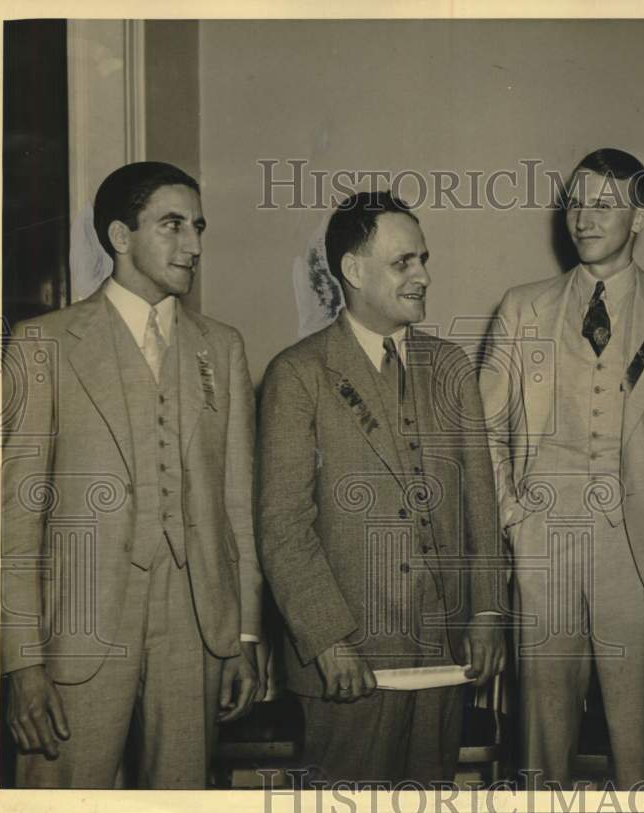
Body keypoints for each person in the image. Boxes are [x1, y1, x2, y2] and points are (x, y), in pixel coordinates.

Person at [1, 161, 264, 788]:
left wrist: (242, 634)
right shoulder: (43, 345)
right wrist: (21, 664)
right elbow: (13, 520)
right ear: (120, 237)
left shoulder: (220, 347)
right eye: (172, 225)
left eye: (198, 227)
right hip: (77, 632)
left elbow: (237, 507)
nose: (194, 245)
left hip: (198, 627)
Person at [257, 191, 507, 785]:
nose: (423, 276)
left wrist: (489, 612)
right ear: (353, 270)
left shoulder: (450, 368)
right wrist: (327, 641)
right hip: (349, 663)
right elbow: (283, 527)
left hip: (443, 655)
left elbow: (480, 503)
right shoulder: (297, 374)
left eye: (423, 259)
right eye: (404, 263)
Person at [479, 149, 644, 788]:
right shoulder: (523, 308)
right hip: (546, 544)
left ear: (642, 214)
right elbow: (481, 423)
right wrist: (512, 512)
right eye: (576, 202)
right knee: (540, 748)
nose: (583, 217)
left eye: (604, 203)